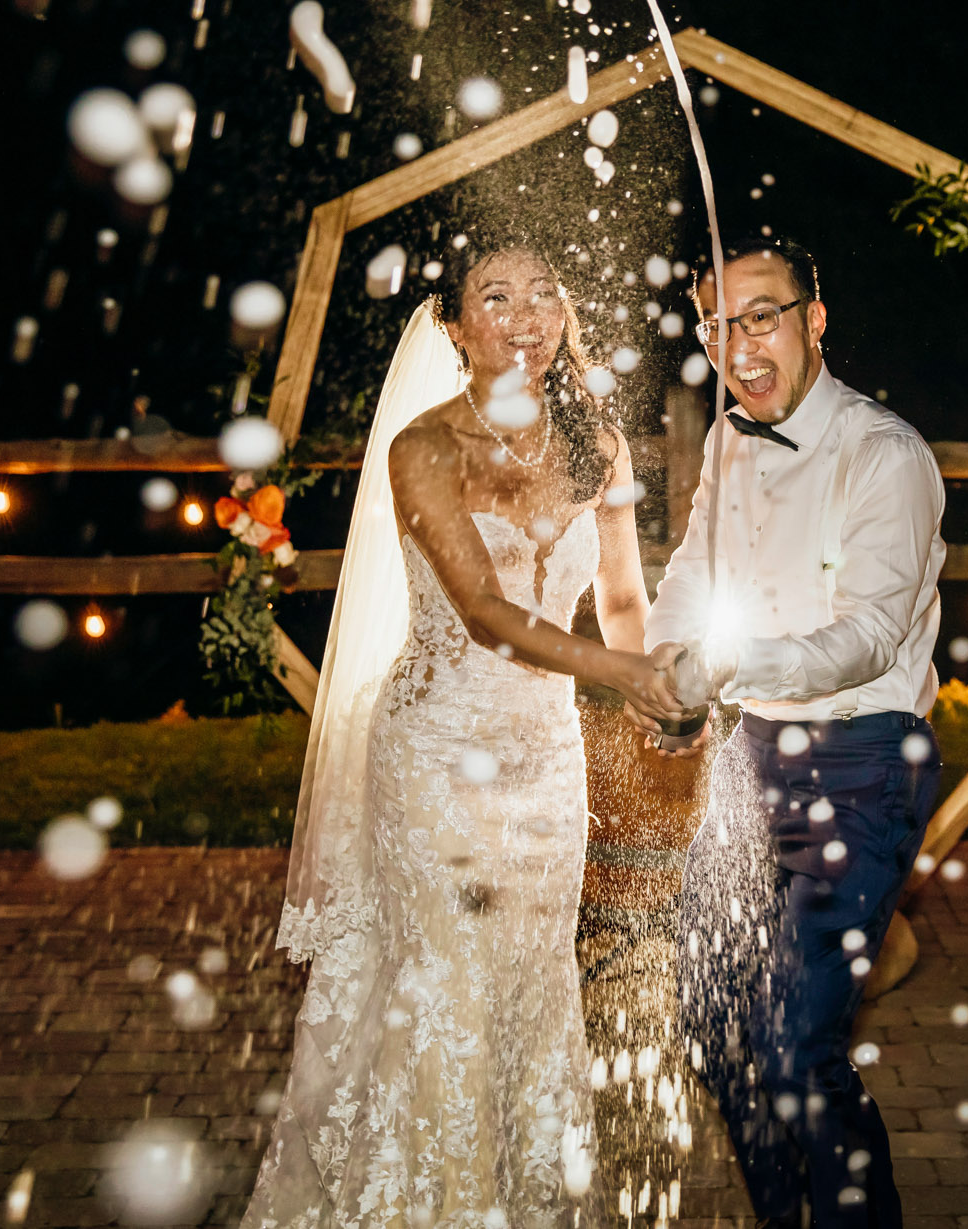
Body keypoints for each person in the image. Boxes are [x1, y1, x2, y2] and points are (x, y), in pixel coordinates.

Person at [243, 233, 682, 1227]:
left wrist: (667, 688)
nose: (524, 318)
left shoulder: (597, 443)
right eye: (496, 297)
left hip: (547, 766)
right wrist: (623, 675)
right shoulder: (422, 449)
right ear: (451, 328)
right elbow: (484, 610)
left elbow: (620, 599)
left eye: (542, 295)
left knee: (531, 984)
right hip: (435, 759)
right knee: (447, 986)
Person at [636, 235, 948, 1227]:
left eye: (761, 314)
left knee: (792, 1043)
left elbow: (864, 637)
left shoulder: (882, 454)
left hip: (861, 766)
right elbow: (690, 563)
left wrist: (728, 665)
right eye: (718, 322)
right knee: (709, 1017)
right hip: (750, 759)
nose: (739, 341)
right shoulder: (730, 438)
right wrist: (666, 658)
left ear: (814, 319)